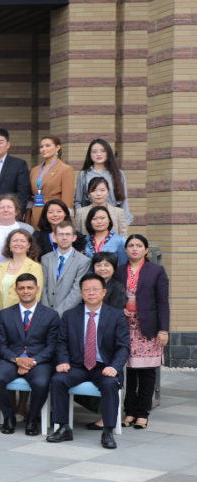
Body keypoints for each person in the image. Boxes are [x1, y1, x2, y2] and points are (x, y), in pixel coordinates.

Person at [48, 274, 129, 449]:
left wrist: (114, 367)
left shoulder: (116, 315)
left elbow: (123, 346)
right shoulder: (70, 315)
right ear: (81, 293)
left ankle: (107, 431)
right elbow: (61, 343)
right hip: (78, 366)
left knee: (110, 383)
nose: (91, 293)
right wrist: (62, 361)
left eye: (95, 289)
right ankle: (64, 428)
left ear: (104, 292)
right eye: (87, 289)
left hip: (103, 366)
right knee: (58, 380)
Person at [0, 273, 60, 436]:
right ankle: (9, 417)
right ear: (16, 290)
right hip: (10, 359)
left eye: (30, 287)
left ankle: (32, 419)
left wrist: (31, 362)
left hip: (39, 361)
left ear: (37, 289)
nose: (26, 291)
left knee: (41, 383)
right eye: (21, 288)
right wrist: (16, 359)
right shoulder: (5, 314)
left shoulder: (51, 315)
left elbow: (52, 346)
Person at [116, 235, 168, 430]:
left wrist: (163, 330)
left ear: (146, 250)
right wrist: (119, 308)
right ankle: (129, 411)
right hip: (126, 327)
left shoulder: (156, 270)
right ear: (126, 250)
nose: (134, 248)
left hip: (147, 329)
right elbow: (113, 297)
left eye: (139, 245)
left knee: (146, 372)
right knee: (129, 371)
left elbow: (162, 302)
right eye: (130, 245)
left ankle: (142, 414)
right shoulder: (119, 271)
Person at [41, 221, 89, 314]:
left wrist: (57, 314)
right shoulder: (46, 258)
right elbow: (43, 287)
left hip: (70, 314)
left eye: (68, 234)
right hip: (47, 312)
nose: (64, 237)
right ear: (54, 237)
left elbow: (76, 292)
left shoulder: (83, 261)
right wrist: (47, 313)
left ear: (74, 237)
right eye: (61, 234)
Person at [26, 136, 75, 228]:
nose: (43, 149)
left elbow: (67, 199)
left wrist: (65, 220)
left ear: (57, 147)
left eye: (47, 146)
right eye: (41, 146)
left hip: (54, 215)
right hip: (36, 213)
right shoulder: (35, 170)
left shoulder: (65, 169)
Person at [0, 230, 44, 317]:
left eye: (23, 241)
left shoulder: (35, 267)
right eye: (15, 240)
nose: (18, 244)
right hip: (2, 317)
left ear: (29, 245)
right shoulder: (0, 267)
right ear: (9, 244)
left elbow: (36, 296)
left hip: (23, 317)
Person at [75, 138, 130, 216]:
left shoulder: (118, 173)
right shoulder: (84, 174)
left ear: (108, 153)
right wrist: (81, 217)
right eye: (94, 152)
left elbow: (124, 200)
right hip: (91, 217)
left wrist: (125, 220)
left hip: (114, 216)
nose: (99, 154)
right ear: (90, 155)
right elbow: (78, 201)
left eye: (103, 151)